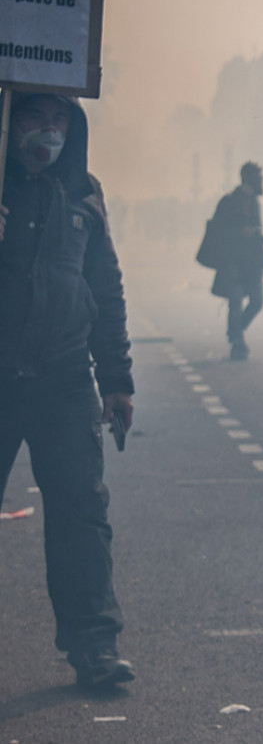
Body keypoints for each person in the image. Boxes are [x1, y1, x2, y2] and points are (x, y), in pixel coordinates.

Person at [0, 92, 136, 688]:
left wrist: (117, 380)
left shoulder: (84, 192)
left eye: (60, 121)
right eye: (34, 117)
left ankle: (94, 649)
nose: (48, 132)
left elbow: (104, 288)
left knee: (83, 512)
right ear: (9, 122)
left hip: (63, 379)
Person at [208, 162, 263, 360]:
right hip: (233, 262)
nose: (261, 181)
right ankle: (236, 340)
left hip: (252, 262)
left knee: (258, 300)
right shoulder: (228, 202)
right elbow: (217, 231)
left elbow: (258, 233)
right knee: (235, 303)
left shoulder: (254, 202)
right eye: (258, 177)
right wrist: (240, 233)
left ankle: (236, 332)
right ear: (247, 178)